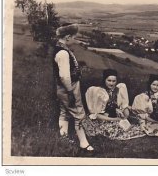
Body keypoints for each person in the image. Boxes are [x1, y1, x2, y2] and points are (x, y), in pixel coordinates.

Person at [53, 24, 94, 153]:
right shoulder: (63, 53)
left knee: (64, 111)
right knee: (79, 114)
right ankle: (83, 143)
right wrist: (70, 92)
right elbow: (64, 76)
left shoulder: (60, 48)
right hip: (68, 87)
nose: (76, 40)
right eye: (74, 37)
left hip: (62, 87)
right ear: (68, 37)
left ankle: (63, 137)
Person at [82, 69, 145, 140]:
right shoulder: (99, 92)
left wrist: (124, 115)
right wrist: (115, 119)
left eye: (114, 81)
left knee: (131, 128)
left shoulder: (118, 90)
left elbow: (124, 107)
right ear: (104, 80)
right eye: (109, 81)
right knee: (113, 130)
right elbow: (96, 115)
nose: (111, 83)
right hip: (103, 119)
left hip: (114, 118)